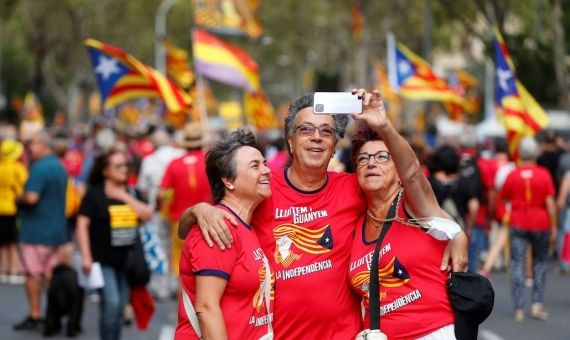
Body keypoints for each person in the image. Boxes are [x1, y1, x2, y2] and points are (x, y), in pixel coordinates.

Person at [178, 91, 468, 339]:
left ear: (334, 147)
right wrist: (197, 210)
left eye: (326, 131)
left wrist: (454, 231)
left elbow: (411, 183)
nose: (316, 137)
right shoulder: (262, 187)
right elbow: (217, 215)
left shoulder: (355, 188)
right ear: (290, 141)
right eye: (306, 130)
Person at [348, 90, 460, 339]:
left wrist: (384, 126)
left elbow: (411, 172)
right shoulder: (355, 226)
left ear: (397, 171)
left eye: (382, 157)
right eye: (363, 159)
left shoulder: (415, 207)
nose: (371, 163)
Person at [176, 129, 274, 339]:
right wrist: (197, 209)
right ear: (228, 181)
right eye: (255, 166)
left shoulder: (246, 223)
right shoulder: (218, 227)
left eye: (264, 163)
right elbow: (207, 308)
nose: (266, 170)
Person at [76, 147, 153, 340]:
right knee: (111, 303)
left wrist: (124, 196)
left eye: (125, 165)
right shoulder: (94, 195)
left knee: (119, 308)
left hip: (127, 260)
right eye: (118, 166)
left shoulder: (131, 192)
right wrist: (85, 256)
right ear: (105, 171)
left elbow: (147, 214)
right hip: (103, 260)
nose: (124, 169)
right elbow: (82, 224)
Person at [14, 132, 68, 331]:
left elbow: (31, 197)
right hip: (56, 230)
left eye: (33, 144)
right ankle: (52, 313)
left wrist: (17, 198)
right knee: (49, 275)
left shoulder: (40, 168)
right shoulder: (59, 166)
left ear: (44, 145)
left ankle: (36, 314)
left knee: (33, 274)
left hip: (36, 230)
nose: (29, 148)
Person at [500, 137, 557, 322]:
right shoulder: (544, 174)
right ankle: (537, 304)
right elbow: (550, 203)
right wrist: (554, 226)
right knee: (540, 263)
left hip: (518, 222)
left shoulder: (513, 174)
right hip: (540, 223)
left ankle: (519, 308)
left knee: (517, 264)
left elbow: (505, 197)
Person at [159, 122, 211, 280]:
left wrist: (168, 206)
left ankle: (182, 302)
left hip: (180, 223)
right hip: (208, 222)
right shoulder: (210, 163)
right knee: (207, 267)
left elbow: (162, 194)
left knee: (180, 269)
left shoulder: (174, 164)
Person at [138, 128, 184, 299]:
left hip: (158, 210)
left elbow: (143, 189)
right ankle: (175, 284)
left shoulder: (149, 161)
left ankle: (162, 285)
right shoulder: (180, 154)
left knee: (160, 246)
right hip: (178, 208)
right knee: (176, 246)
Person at [0, 139, 27, 284]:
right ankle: (15, 269)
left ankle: (5, 269)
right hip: (14, 207)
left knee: (3, 242)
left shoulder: (1, 167)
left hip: (1, 207)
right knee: (15, 241)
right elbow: (24, 186)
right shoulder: (18, 168)